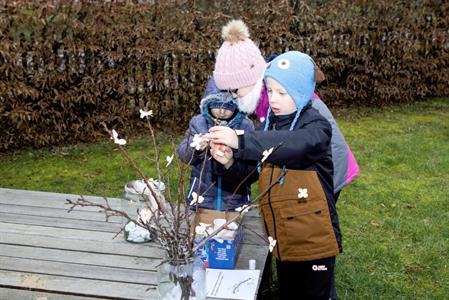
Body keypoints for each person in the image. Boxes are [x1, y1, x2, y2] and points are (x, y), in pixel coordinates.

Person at [207, 51, 342, 299]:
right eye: (270, 91)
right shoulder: (270, 126)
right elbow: (248, 174)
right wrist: (227, 163)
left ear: (301, 92)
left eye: (282, 92)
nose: (273, 98)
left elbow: (295, 145)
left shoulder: (316, 126)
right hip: (282, 237)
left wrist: (241, 140)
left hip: (313, 240)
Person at [206, 19, 359, 204]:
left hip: (327, 172)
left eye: (235, 90)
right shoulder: (267, 102)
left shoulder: (298, 102)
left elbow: (303, 142)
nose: (233, 96)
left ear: (252, 79)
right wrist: (229, 161)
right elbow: (262, 155)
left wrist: (240, 140)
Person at [177, 92, 254, 211]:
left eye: (228, 107)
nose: (222, 111)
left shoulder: (245, 125)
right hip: (202, 196)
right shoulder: (198, 123)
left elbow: (251, 159)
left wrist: (233, 148)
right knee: (201, 228)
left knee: (234, 228)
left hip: (235, 198)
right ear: (208, 104)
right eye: (216, 105)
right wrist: (196, 147)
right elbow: (184, 155)